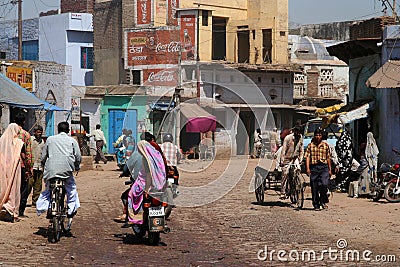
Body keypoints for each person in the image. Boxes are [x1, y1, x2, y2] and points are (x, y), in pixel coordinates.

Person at [36, 121, 81, 232]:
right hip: (66, 171)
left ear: (58, 130)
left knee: (47, 189)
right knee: (71, 189)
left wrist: (43, 163)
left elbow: (43, 156)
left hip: (51, 171)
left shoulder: (50, 139)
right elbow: (78, 156)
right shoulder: (72, 140)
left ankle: (44, 207)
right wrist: (77, 166)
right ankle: (71, 209)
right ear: (68, 130)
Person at [125, 140, 167, 226]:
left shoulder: (146, 159)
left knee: (131, 194)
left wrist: (147, 190)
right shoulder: (157, 156)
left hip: (145, 184)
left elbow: (148, 175)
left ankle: (135, 218)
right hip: (159, 183)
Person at [0, 123, 25, 222]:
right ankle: (12, 210)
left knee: (3, 186)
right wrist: (28, 168)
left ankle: (3, 205)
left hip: (2, 167)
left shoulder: (1, 141)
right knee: (13, 188)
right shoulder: (18, 142)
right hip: (14, 168)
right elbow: (23, 156)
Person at [305, 128, 331, 211]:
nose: (318, 137)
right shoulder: (310, 146)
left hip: (324, 167)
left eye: (319, 135)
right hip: (314, 168)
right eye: (316, 135)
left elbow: (328, 158)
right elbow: (307, 157)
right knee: (314, 186)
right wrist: (308, 168)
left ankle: (323, 200)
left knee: (324, 184)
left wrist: (330, 169)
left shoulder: (325, 145)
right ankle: (316, 204)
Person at [14, 113, 33, 217]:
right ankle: (20, 211)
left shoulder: (9, 134)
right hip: (21, 165)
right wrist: (29, 168)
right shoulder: (25, 134)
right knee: (24, 188)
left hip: (10, 165)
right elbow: (28, 153)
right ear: (24, 122)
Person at [279, 126, 304, 199]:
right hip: (287, 158)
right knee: (285, 174)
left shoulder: (300, 137)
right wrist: (282, 161)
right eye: (297, 132)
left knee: (298, 170)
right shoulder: (288, 138)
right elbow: (283, 150)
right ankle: (283, 192)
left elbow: (301, 149)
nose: (298, 134)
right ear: (295, 131)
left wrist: (300, 160)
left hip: (295, 158)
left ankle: (296, 186)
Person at [28, 125, 45, 207]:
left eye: (41, 132)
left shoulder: (43, 142)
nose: (40, 134)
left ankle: (35, 202)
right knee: (29, 184)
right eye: (38, 132)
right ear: (34, 132)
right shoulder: (30, 140)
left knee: (38, 186)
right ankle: (22, 201)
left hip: (39, 166)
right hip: (31, 166)